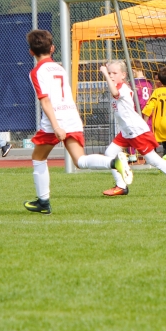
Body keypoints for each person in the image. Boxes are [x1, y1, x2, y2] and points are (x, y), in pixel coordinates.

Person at [24, 30, 133, 213]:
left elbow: (45, 101)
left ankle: (43, 202)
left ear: (31, 52)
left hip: (55, 120)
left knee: (38, 158)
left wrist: (56, 127)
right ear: (52, 49)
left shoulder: (36, 72)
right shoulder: (59, 68)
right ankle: (114, 163)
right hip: (71, 116)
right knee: (80, 161)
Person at [99, 60, 166, 195]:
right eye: (110, 73)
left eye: (114, 73)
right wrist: (108, 72)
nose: (111, 75)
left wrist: (106, 74)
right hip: (126, 131)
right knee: (110, 153)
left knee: (152, 159)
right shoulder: (119, 85)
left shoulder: (122, 88)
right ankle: (121, 186)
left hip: (135, 130)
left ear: (123, 75)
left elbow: (114, 92)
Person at [127, 67, 154, 164]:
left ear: (134, 69)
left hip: (136, 111)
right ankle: (149, 156)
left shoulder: (133, 83)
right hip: (148, 111)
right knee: (147, 132)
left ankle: (132, 154)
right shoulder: (149, 83)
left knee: (131, 131)